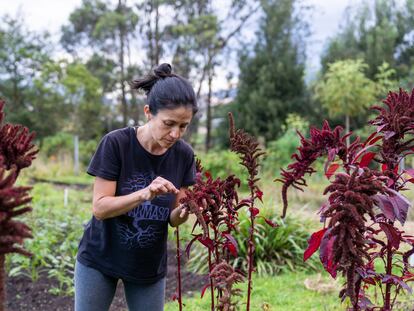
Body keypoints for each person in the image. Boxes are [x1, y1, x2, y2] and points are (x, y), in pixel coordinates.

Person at [74, 63, 198, 311]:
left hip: (147, 263)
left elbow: (174, 219)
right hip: (101, 257)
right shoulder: (116, 144)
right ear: (148, 112)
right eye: (169, 123)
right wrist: (145, 193)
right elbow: (100, 208)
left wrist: (187, 210)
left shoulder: (184, 155)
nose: (175, 134)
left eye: (183, 126)